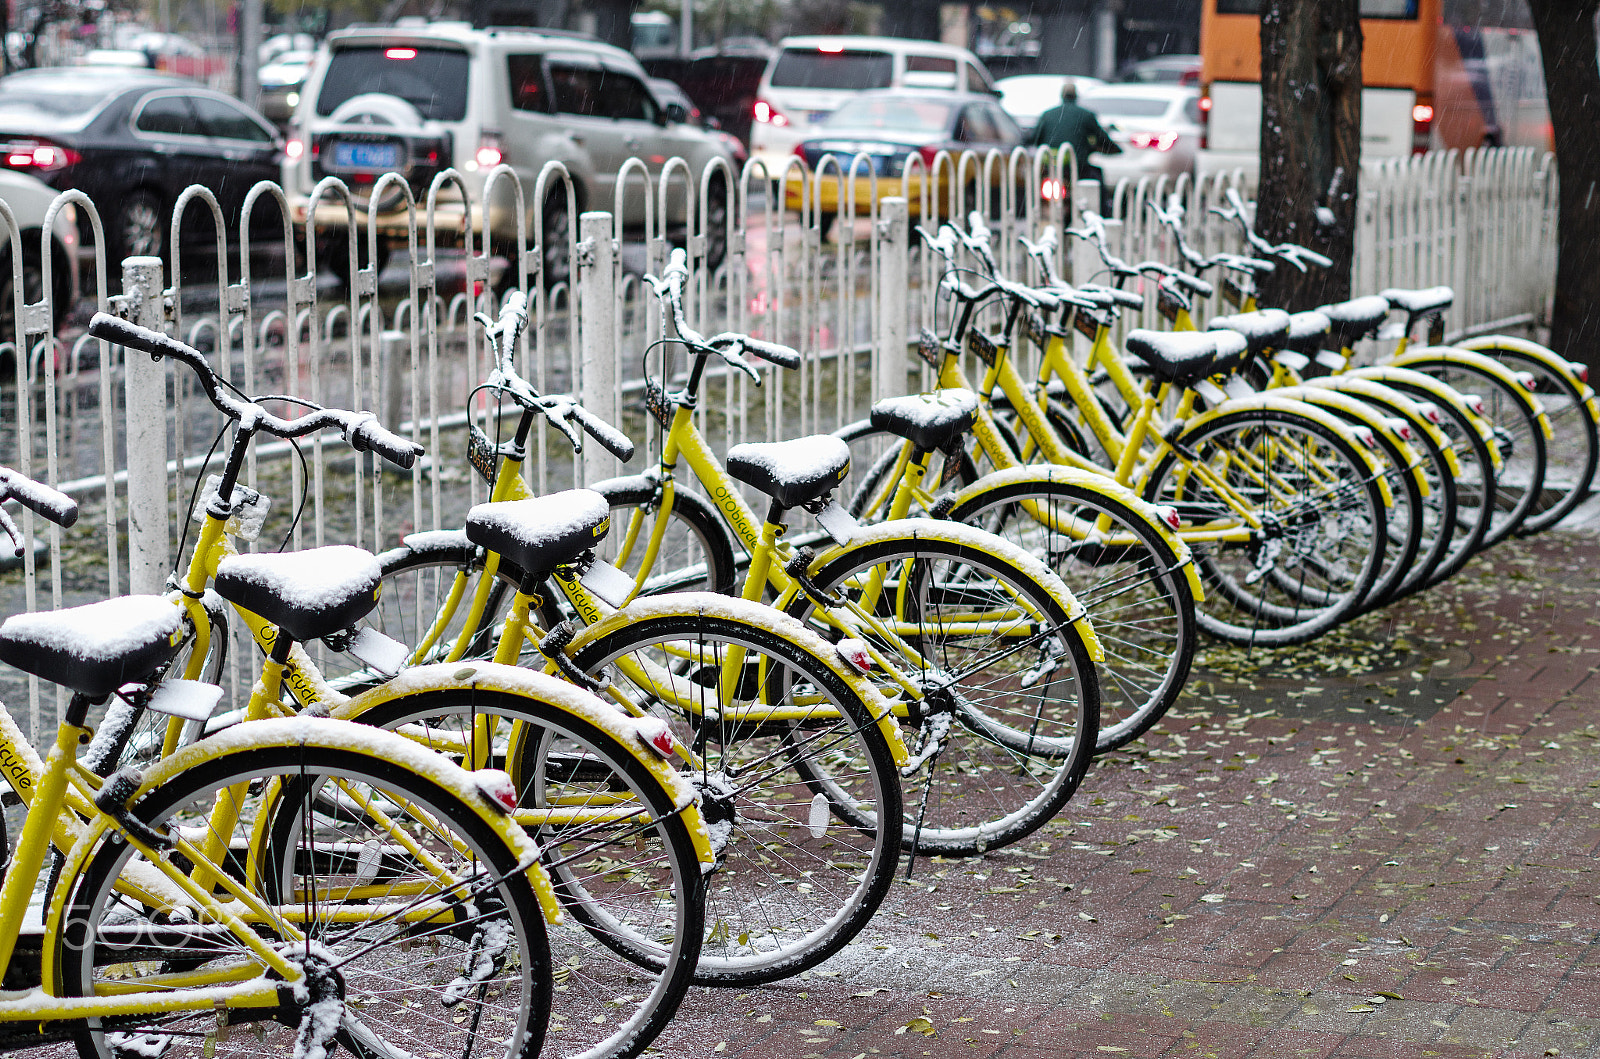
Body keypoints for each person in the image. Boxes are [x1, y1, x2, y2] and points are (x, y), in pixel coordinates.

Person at [1028, 80, 1121, 191]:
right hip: (1077, 167)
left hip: (1049, 167)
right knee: (1096, 179)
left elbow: (1034, 139)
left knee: (1033, 187)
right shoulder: (1086, 115)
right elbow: (1103, 139)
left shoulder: (1047, 114)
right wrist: (1114, 148)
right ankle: (1100, 207)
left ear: (1062, 96)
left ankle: (1030, 205)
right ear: (1076, 97)